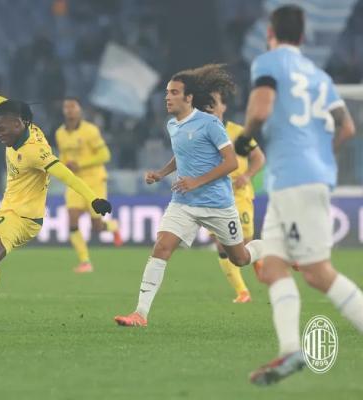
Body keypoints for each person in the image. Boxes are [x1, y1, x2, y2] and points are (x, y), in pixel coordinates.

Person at [233, 5, 362, 385]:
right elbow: (347, 128)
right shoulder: (319, 75)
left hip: (294, 179)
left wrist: (245, 137)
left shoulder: (268, 62)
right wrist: (320, 156)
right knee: (273, 266)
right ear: (303, 37)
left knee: (317, 273)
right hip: (299, 178)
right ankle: (290, 350)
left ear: (270, 33)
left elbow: (261, 107)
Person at [0, 83, 112, 329]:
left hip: (25, 217)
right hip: (7, 211)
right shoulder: (20, 122)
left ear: (18, 124)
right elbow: (4, 104)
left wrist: (94, 198)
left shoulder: (35, 152)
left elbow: (65, 174)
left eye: (2, 129)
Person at [113, 70, 264, 328]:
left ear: (189, 97)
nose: (167, 97)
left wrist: (197, 181)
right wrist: (161, 173)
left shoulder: (210, 124)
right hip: (184, 202)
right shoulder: (172, 125)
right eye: (166, 93)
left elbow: (230, 163)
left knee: (240, 258)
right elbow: (182, 153)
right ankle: (140, 313)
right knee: (161, 247)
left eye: (174, 92)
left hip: (218, 204)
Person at [192, 64, 266, 303]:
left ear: (223, 106)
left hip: (240, 194)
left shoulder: (238, 132)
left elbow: (259, 158)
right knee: (222, 245)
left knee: (243, 245)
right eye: (207, 103)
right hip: (216, 198)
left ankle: (260, 256)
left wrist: (247, 175)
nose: (210, 107)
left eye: (215, 102)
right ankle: (242, 292)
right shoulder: (201, 135)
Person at [55, 97, 122, 273]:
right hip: (75, 182)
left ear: (79, 110)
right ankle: (85, 261)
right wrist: (64, 166)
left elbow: (105, 155)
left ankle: (113, 226)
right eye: (66, 107)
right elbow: (63, 156)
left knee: (97, 226)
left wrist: (81, 164)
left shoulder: (90, 131)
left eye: (73, 106)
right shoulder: (60, 133)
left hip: (94, 180)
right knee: (72, 219)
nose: (70, 110)